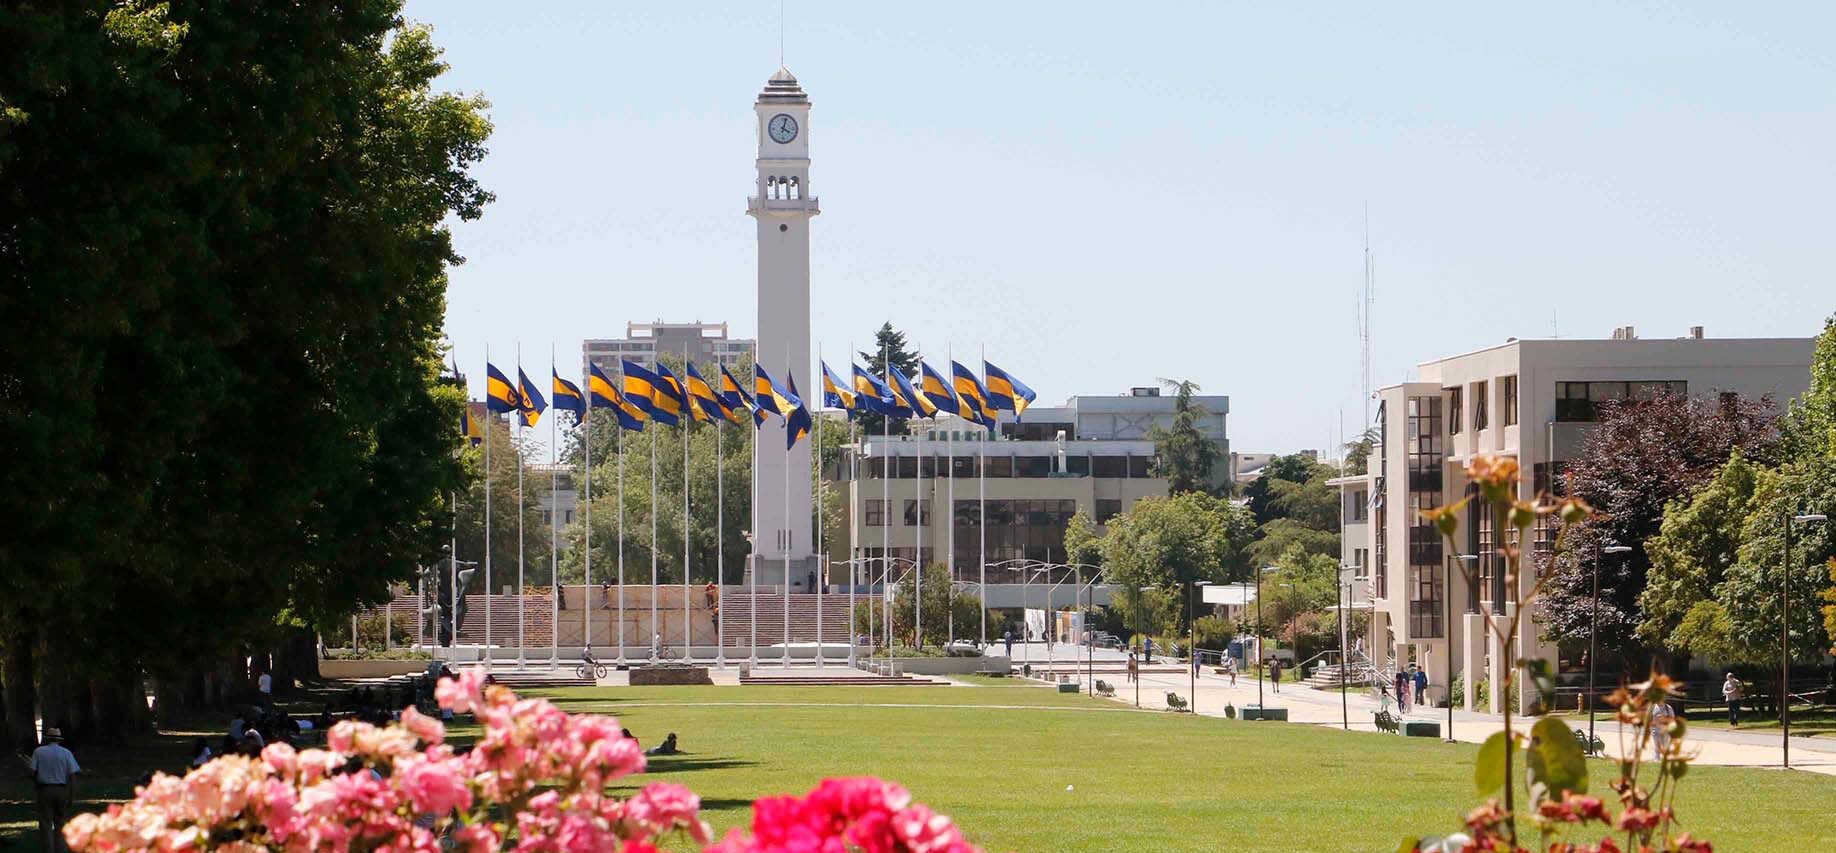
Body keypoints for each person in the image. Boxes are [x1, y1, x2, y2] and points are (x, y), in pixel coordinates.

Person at [29, 727, 80, 853]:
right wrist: (72, 795)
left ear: (47, 739)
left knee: (46, 823)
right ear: (59, 739)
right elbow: (73, 775)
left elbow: (32, 772)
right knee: (61, 823)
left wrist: (36, 785)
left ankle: (48, 850)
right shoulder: (66, 753)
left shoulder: (38, 752)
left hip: (44, 789)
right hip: (61, 790)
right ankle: (61, 850)